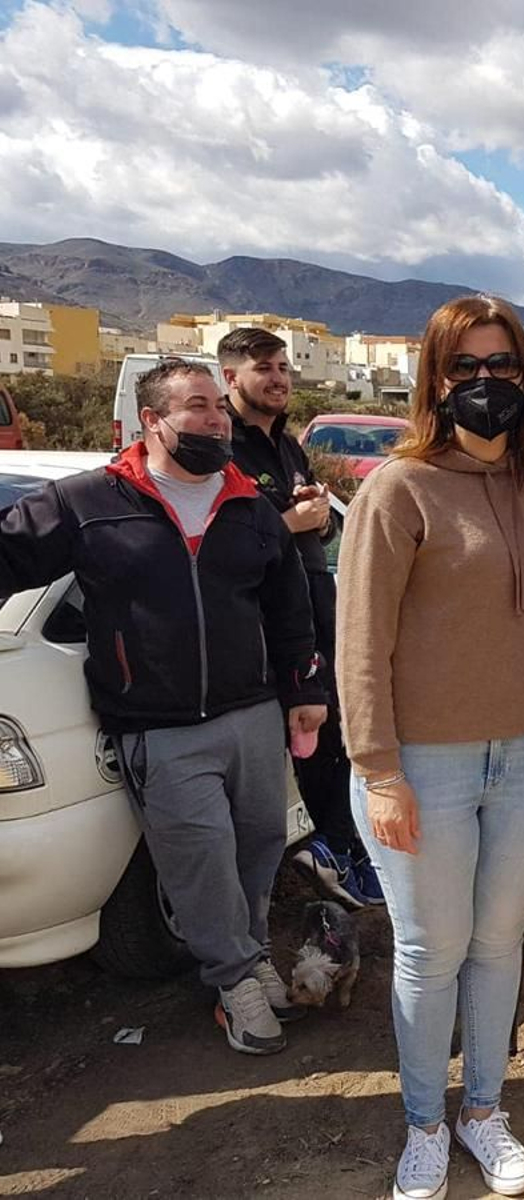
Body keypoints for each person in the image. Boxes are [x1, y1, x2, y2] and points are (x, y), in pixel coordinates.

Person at [0, 359, 327, 1055]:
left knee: (260, 845)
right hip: (159, 725)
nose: (215, 419)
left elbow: (288, 607)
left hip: (252, 713)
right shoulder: (86, 502)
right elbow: (8, 557)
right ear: (153, 420)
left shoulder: (248, 504)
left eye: (217, 406)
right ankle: (235, 981)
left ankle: (247, 950)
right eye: (198, 406)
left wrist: (303, 693)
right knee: (199, 861)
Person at [338, 295, 524, 1200]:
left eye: (501, 365)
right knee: (433, 949)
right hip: (420, 764)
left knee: (499, 942)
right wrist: (377, 770)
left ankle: (484, 1111)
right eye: (464, 367)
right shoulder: (398, 488)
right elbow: (360, 641)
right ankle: (425, 1123)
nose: (485, 382)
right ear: (436, 379)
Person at [220, 326, 382, 908]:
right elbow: (223, 544)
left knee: (334, 739)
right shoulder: (222, 448)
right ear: (230, 376)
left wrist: (321, 519)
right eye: (264, 368)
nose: (279, 379)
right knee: (296, 747)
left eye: (284, 368)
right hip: (260, 631)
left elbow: (317, 529)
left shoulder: (286, 446)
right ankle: (310, 864)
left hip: (314, 612)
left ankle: (342, 852)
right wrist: (289, 524)